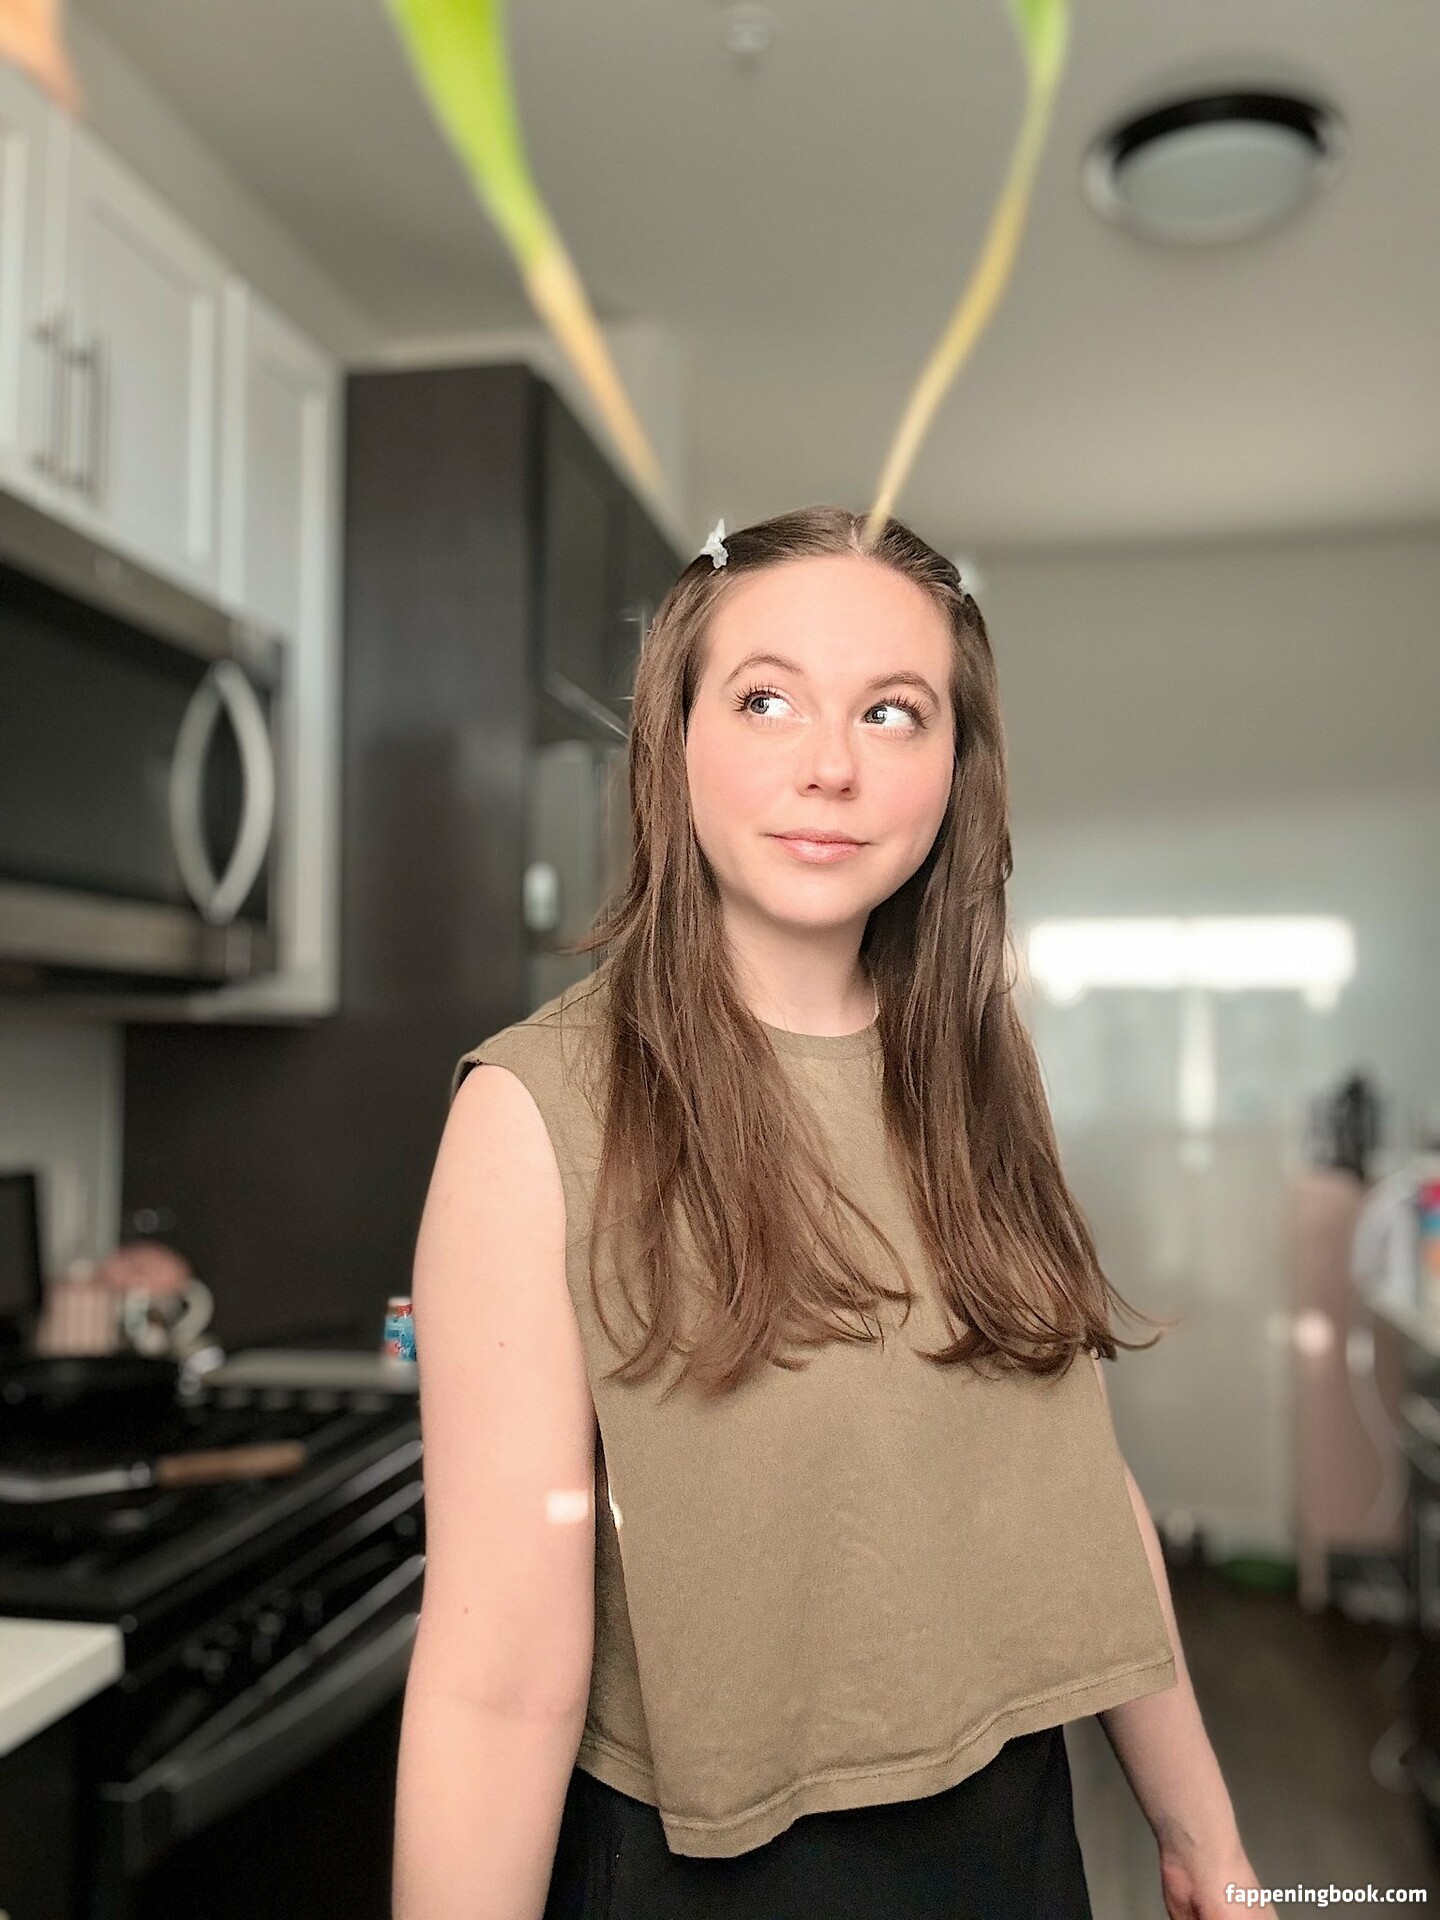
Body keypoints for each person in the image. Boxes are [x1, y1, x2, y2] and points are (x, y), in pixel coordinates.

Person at [393, 506, 1263, 1919]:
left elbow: (1075, 1496)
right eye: (766, 699)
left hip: (1018, 1845)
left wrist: (1204, 1840)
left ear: (956, 770)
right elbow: (498, 1684)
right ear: (674, 741)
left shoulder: (980, 1078)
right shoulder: (535, 1114)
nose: (832, 764)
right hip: (711, 1875)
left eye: (893, 711)